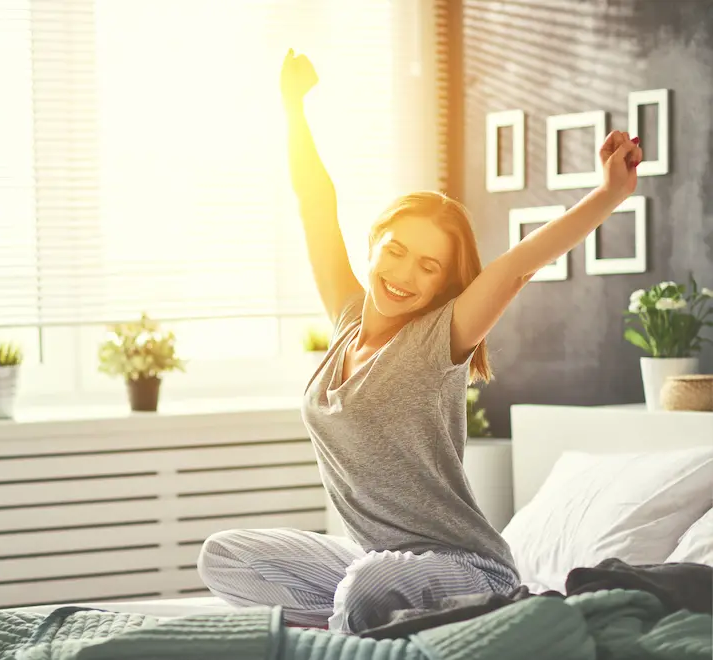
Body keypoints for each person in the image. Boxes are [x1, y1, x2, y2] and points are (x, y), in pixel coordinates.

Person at [196, 49, 644, 634]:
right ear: (375, 244)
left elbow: (515, 268)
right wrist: (293, 107)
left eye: (429, 266)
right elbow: (315, 207)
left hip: (470, 569)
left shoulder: (440, 340)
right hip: (378, 562)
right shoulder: (348, 321)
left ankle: (356, 621)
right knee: (222, 555)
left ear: (444, 285)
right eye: (397, 250)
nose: (405, 274)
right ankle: (353, 620)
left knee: (366, 587)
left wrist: (609, 193)